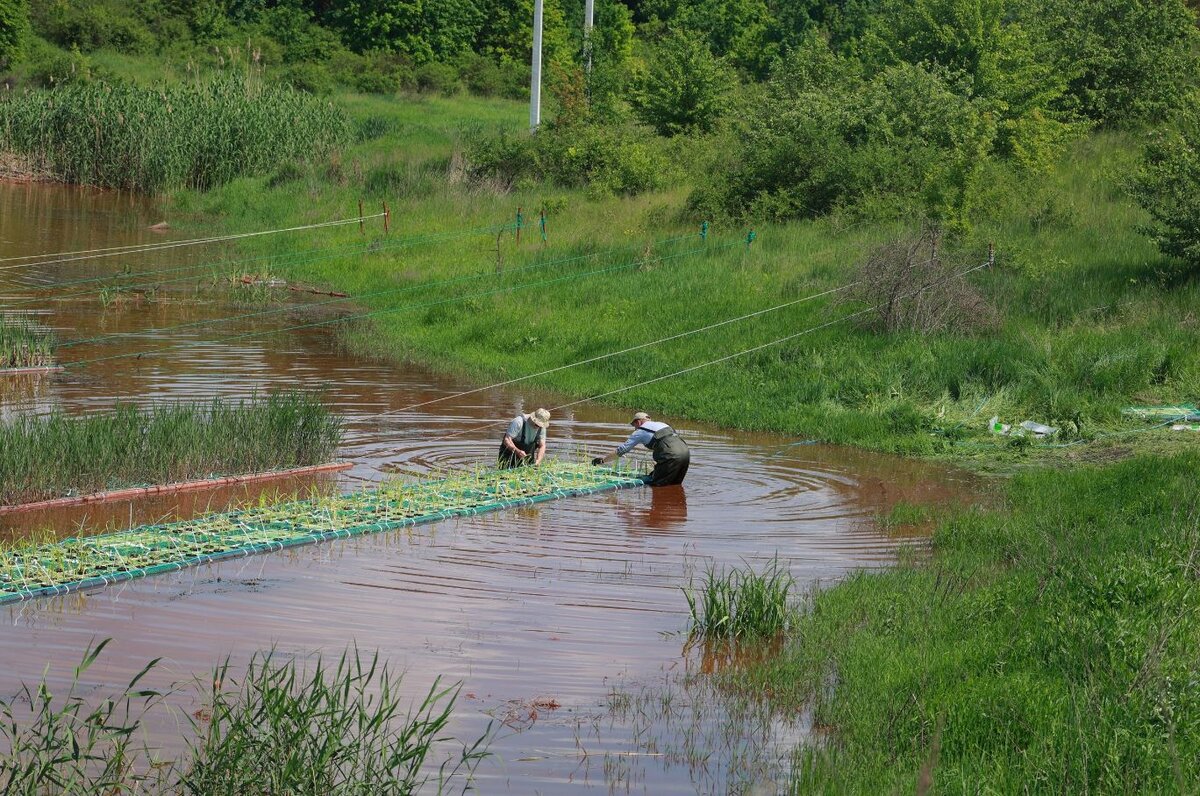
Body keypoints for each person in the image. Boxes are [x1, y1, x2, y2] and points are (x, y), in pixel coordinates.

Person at [591, 412, 690, 486]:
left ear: (638, 422)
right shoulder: (663, 424)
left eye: (634, 426)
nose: (635, 429)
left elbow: (622, 450)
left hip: (671, 455)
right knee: (675, 485)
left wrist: (603, 460)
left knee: (657, 486)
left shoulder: (640, 431)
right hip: (685, 452)